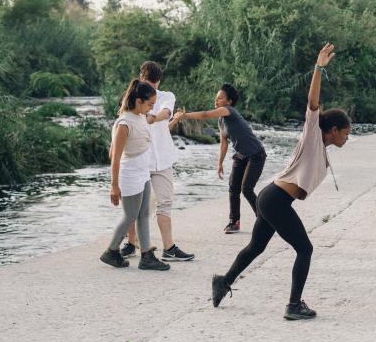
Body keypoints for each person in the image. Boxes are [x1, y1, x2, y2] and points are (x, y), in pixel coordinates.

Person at [210, 44, 350, 321]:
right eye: (346, 132)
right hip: (274, 200)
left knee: (256, 247)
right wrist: (318, 69)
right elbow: (312, 103)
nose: (348, 137)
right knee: (305, 249)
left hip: (271, 198)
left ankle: (223, 282)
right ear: (333, 130)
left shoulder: (322, 149)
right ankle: (294, 305)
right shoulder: (313, 135)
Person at [119, 61, 194, 262]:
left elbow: (166, 112)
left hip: (162, 159)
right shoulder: (132, 102)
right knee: (135, 207)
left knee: (165, 203)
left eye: (155, 84)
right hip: (140, 161)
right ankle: (130, 244)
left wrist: (155, 117)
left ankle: (169, 248)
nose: (152, 88)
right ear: (141, 78)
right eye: (148, 83)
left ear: (159, 81)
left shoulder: (167, 96)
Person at [175, 84, 266, 233]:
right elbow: (223, 143)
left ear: (229, 101)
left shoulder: (228, 111)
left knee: (246, 189)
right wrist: (220, 163)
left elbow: (205, 115)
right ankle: (234, 222)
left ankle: (264, 219)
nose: (216, 100)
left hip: (256, 154)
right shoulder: (221, 120)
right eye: (215, 98)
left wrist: (185, 115)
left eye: (220, 98)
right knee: (233, 188)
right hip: (241, 155)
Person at [99, 80, 170, 271]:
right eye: (149, 104)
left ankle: (147, 256)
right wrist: (114, 185)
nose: (151, 108)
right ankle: (111, 251)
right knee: (130, 215)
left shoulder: (141, 116)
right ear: (138, 101)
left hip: (143, 172)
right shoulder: (124, 123)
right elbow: (114, 157)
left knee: (144, 214)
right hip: (129, 175)